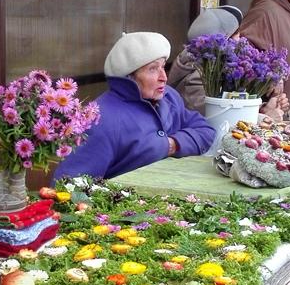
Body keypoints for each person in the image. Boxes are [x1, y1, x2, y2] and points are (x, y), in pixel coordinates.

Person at [53, 32, 216, 181]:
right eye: (152, 69)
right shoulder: (99, 119)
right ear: (130, 76)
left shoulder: (169, 97)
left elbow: (205, 131)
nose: (164, 77)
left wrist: (170, 145)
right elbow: (69, 184)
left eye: (163, 66)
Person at [170, 5, 290, 122]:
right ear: (223, 41)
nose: (242, 40)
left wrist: (264, 108)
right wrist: (265, 118)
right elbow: (216, 120)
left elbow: (229, 105)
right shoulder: (196, 75)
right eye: (237, 34)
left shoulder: (216, 68)